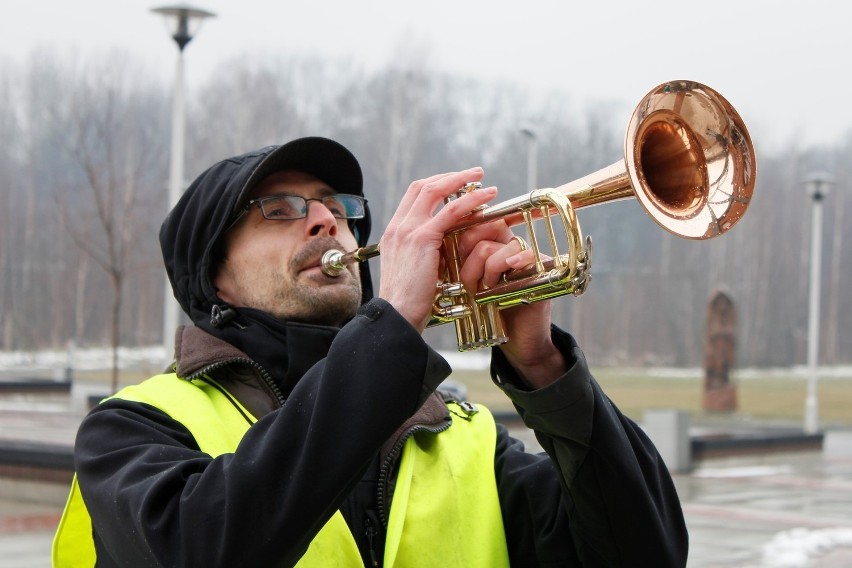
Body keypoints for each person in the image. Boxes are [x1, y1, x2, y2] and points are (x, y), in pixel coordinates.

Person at [53, 136, 688, 567]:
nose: (328, 220)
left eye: (339, 206)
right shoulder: (128, 429)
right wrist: (394, 328)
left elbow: (647, 551)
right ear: (211, 274)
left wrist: (543, 365)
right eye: (280, 209)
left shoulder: (461, 435)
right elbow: (209, 545)